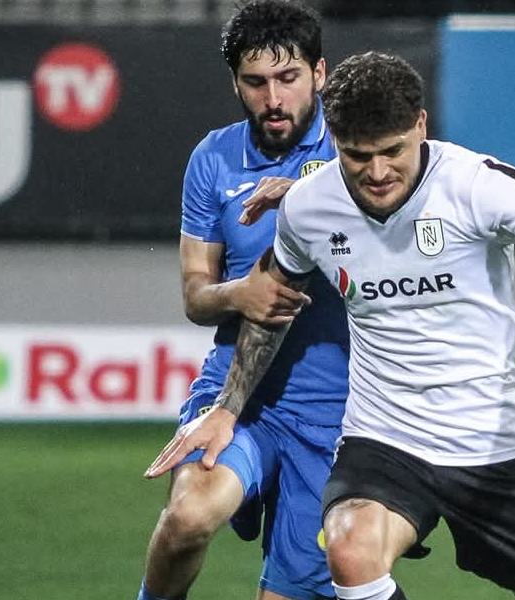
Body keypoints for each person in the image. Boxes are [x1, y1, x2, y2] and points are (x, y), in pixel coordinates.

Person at [146, 52, 515, 600]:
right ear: (334, 138)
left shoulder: (475, 185)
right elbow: (271, 309)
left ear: (420, 126)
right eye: (358, 156)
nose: (377, 173)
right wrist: (228, 408)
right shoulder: (308, 207)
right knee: (348, 546)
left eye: (392, 151)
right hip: (383, 441)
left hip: (493, 449)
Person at [138, 2, 349, 600]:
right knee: (187, 519)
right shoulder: (213, 158)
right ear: (235, 83)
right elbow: (196, 296)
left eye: (288, 78)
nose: (273, 99)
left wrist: (308, 193)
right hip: (237, 393)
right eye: (256, 83)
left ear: (319, 73)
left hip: (337, 413)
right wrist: (240, 293)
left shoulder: (357, 152)